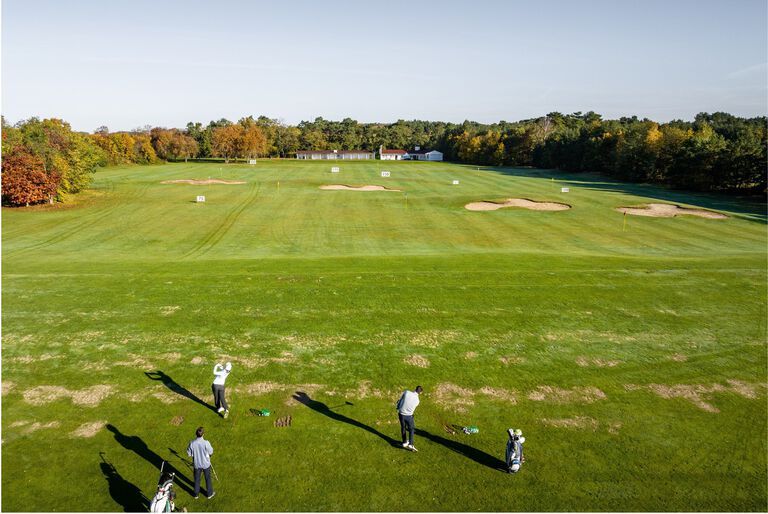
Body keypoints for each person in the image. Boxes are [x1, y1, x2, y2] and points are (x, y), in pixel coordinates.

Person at [186, 426, 215, 499]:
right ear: (203, 434)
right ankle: (209, 494)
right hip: (206, 464)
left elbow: (189, 454)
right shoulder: (206, 443)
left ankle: (196, 494)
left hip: (197, 464)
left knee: (197, 479)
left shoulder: (192, 443)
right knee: (207, 478)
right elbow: (211, 452)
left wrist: (194, 454)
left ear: (196, 434)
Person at [396, 385, 423, 451]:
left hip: (401, 414)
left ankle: (405, 442)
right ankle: (411, 444)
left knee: (403, 427)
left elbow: (401, 399)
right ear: (420, 392)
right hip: (409, 416)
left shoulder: (407, 392)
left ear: (415, 389)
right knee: (411, 429)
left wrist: (398, 407)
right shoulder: (417, 401)